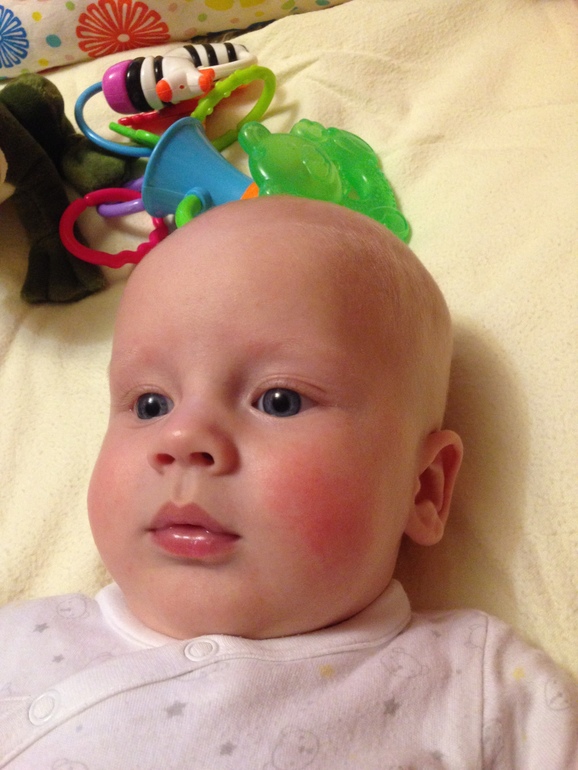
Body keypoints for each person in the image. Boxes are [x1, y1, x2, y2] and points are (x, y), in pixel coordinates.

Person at [0, 197, 575, 768]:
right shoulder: (23, 644)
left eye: (279, 400)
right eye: (151, 404)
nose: (182, 437)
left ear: (422, 487)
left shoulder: (480, 691)